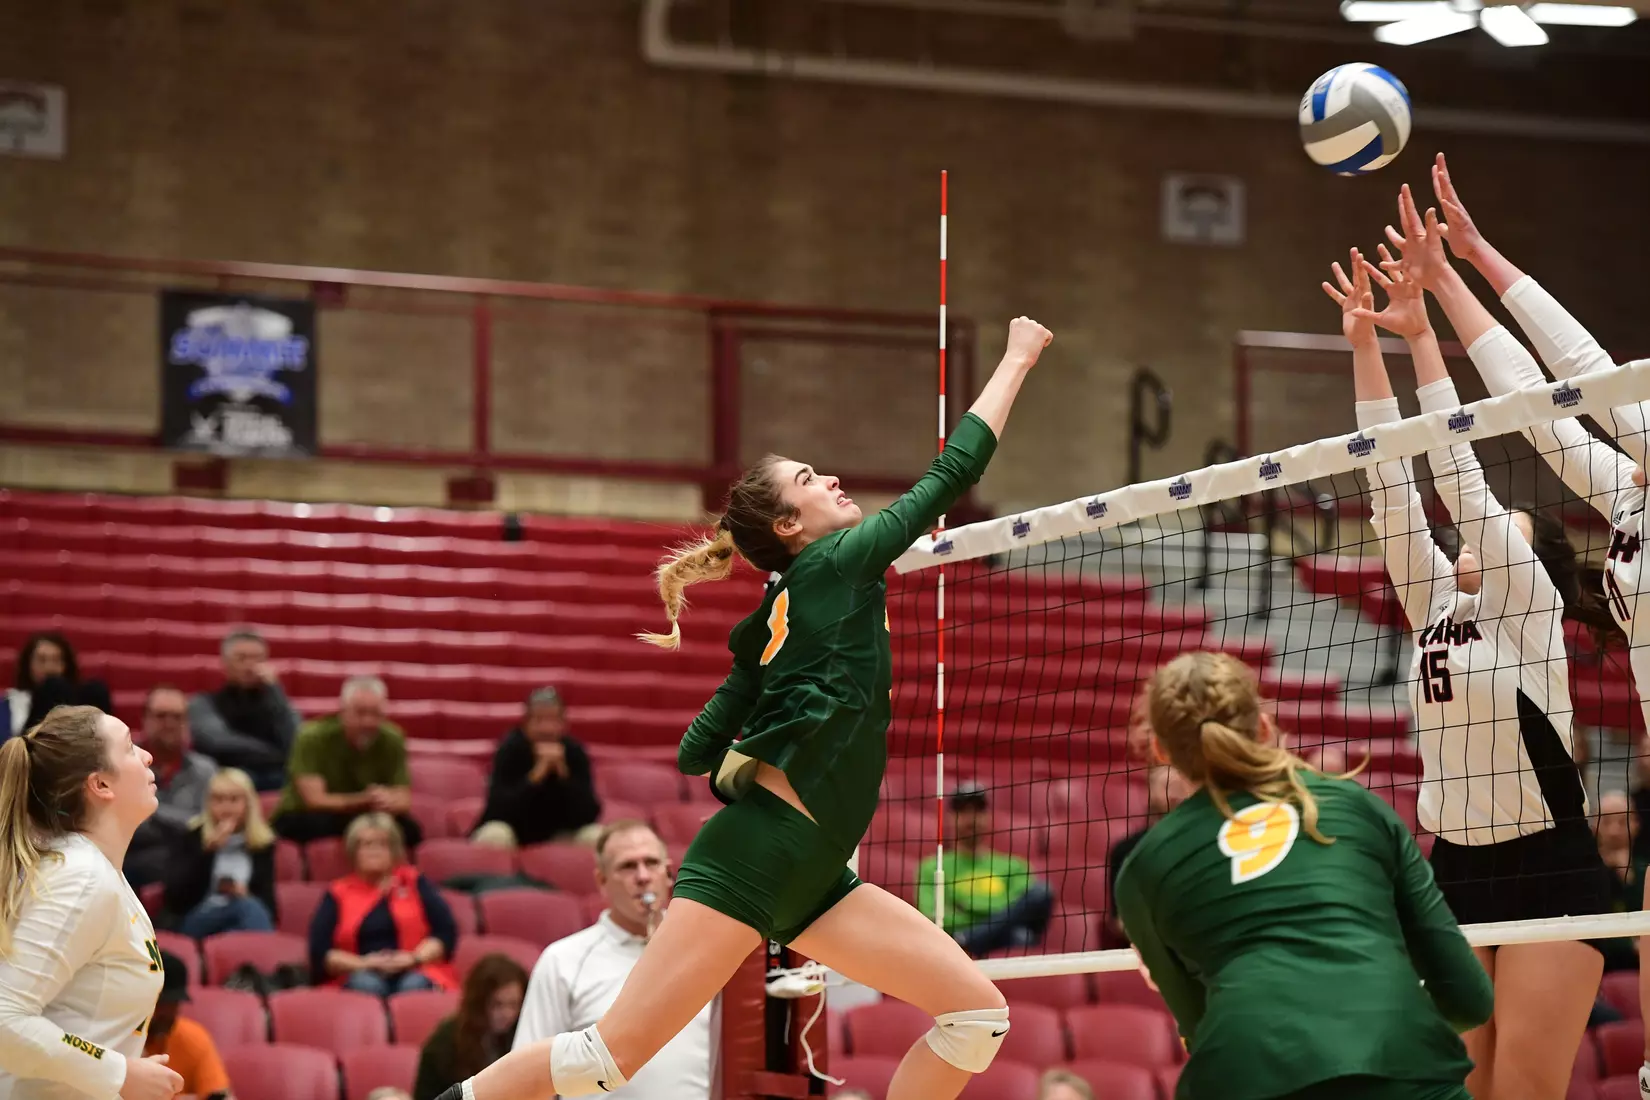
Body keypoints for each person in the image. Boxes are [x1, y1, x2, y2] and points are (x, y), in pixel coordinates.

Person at [438, 316, 1052, 1100]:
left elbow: (697, 750)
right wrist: (1016, 358)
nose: (832, 479)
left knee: (976, 1014)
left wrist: (774, 674)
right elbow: (953, 471)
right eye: (811, 479)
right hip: (759, 857)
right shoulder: (838, 561)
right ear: (791, 527)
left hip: (815, 873)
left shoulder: (778, 611)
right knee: (604, 1059)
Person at [1330, 226, 1613, 1100]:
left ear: (1534, 569)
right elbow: (1391, 489)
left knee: (1521, 1089)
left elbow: (1462, 482)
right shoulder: (1434, 607)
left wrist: (1424, 339)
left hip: (1548, 866)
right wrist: (1366, 345)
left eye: (1499, 541)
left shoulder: (1528, 611)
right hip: (1452, 865)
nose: (1470, 545)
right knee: (1454, 1088)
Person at [1115, 652, 1493, 1100]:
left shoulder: (1142, 867)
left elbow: (1201, 1030)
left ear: (1160, 751)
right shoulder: (1357, 806)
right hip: (1405, 1060)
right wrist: (1379, 1026)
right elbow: (1469, 999)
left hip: (1250, 1074)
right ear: (1263, 727)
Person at [0, 705, 185, 1100]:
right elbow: (4, 1018)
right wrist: (118, 1072)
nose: (147, 755)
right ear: (100, 784)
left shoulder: (92, 868)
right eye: (130, 747)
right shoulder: (80, 876)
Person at [514, 821, 711, 1100]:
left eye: (651, 863)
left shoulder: (707, 950)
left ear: (668, 874)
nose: (642, 876)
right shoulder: (563, 961)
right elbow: (528, 1076)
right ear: (602, 881)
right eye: (628, 866)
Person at [308, 812, 458, 996]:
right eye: (367, 845)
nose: (374, 851)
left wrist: (414, 958)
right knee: (367, 985)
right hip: (358, 970)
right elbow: (321, 952)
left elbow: (445, 932)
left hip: (415, 967)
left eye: (382, 844)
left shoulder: (414, 882)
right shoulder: (338, 892)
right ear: (353, 851)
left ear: (394, 850)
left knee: (413, 984)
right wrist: (364, 963)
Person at [272, 677, 421, 847]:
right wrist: (363, 800)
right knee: (316, 825)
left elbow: (404, 800)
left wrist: (386, 800)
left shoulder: (393, 738)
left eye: (376, 714)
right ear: (343, 712)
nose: (368, 722)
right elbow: (315, 800)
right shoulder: (311, 737)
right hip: (307, 813)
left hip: (365, 814)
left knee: (410, 831)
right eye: (360, 713)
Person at [915, 784, 1054, 957]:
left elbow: (1023, 912)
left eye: (978, 811)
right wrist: (993, 914)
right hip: (952, 942)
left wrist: (965, 908)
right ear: (950, 817)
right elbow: (933, 917)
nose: (971, 818)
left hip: (991, 938)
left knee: (1040, 896)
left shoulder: (1014, 866)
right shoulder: (933, 867)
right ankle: (969, 938)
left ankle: (968, 939)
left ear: (988, 816)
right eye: (963, 811)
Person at [471, 688, 602, 850]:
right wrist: (534, 777)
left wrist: (563, 775)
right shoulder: (510, 749)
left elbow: (590, 813)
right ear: (526, 724)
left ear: (564, 724)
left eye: (553, 721)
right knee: (495, 835)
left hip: (559, 835)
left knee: (595, 835)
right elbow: (497, 810)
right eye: (539, 720)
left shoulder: (574, 752)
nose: (546, 729)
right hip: (515, 834)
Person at [163, 768, 278, 939]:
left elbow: (270, 907)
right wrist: (208, 852)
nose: (226, 807)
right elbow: (175, 898)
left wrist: (244, 893)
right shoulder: (192, 837)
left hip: (241, 918)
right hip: (197, 916)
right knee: (248, 908)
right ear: (208, 803)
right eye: (218, 799)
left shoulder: (261, 845)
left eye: (234, 799)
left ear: (248, 803)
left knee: (242, 918)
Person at [125, 686, 219, 890]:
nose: (169, 724)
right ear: (144, 719)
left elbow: (203, 825)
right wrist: (180, 827)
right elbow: (124, 828)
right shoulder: (123, 765)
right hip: (130, 867)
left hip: (190, 877)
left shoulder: (205, 770)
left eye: (177, 717)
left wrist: (151, 812)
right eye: (161, 716)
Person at [187, 630, 302, 791]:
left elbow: (297, 742)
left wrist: (276, 691)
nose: (250, 666)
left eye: (257, 659)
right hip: (225, 783)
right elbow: (218, 742)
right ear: (225, 663)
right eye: (242, 658)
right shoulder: (205, 702)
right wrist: (277, 754)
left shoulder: (277, 703)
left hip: (278, 781)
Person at [413, 954, 527, 1100]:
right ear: (479, 1003)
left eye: (514, 1004)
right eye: (497, 1004)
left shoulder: (522, 1033)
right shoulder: (445, 1043)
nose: (507, 1014)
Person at [143, 953, 233, 1100]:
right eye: (159, 1003)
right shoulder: (117, 1037)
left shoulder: (193, 1038)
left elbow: (221, 1096)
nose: (166, 1012)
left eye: (173, 1003)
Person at [6, 632, 113, 742]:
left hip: (84, 747)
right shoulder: (10, 704)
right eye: (41, 660)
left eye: (56, 660)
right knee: (53, 686)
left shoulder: (87, 695)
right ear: (28, 665)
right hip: (31, 747)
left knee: (95, 690)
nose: (49, 668)